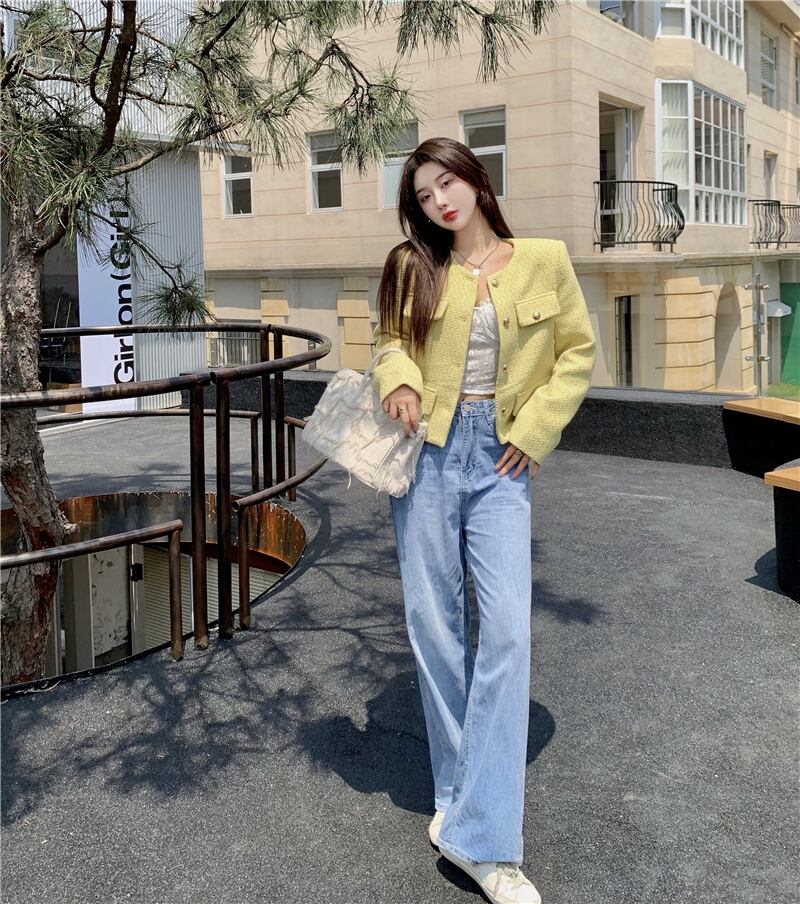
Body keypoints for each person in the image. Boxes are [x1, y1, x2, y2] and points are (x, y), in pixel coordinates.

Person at [371, 137, 596, 904]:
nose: (440, 201)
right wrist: (400, 380)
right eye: (424, 194)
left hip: (501, 457)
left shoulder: (544, 260)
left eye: (448, 182)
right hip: (428, 456)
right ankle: (461, 807)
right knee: (434, 627)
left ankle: (481, 840)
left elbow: (576, 353)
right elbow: (390, 343)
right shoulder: (413, 265)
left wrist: (537, 430)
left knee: (504, 634)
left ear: (476, 179)